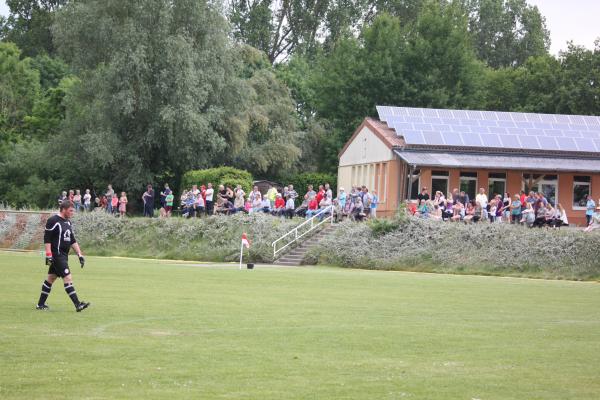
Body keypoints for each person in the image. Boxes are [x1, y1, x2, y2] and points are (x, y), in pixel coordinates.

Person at [36, 200, 90, 312]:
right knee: (68, 277)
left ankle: (40, 305)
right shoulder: (53, 220)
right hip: (56, 255)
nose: (72, 213)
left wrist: (80, 254)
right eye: (70, 211)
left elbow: (72, 240)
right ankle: (78, 304)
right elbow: (47, 238)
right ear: (63, 209)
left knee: (51, 278)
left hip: (64, 256)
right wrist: (49, 255)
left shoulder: (68, 222)